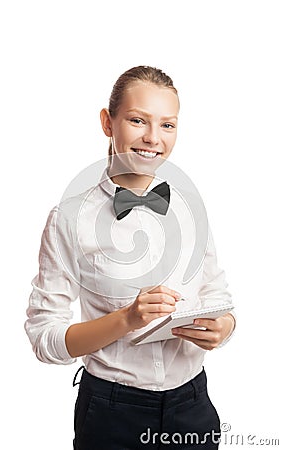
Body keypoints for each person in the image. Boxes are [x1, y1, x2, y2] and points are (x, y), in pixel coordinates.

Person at [25, 66, 236, 449]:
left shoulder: (190, 207)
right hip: (112, 412)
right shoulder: (69, 219)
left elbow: (217, 294)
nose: (153, 139)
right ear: (108, 122)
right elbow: (45, 338)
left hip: (193, 407)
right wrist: (127, 318)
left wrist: (225, 327)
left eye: (168, 125)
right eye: (138, 120)